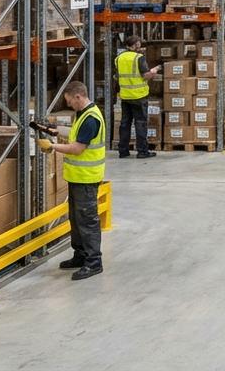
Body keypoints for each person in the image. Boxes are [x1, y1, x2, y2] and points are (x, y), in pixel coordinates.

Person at [37, 80, 106, 281]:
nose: (69, 105)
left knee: (87, 221)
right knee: (76, 220)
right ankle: (80, 255)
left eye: (69, 101)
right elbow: (76, 135)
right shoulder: (83, 114)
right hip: (77, 178)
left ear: (78, 96)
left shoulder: (91, 119)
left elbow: (77, 148)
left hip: (86, 179)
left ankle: (94, 262)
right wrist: (56, 132)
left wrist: (52, 147)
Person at [115, 35, 161, 159]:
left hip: (125, 96)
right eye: (138, 44)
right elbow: (145, 76)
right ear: (135, 45)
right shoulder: (138, 58)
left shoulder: (119, 58)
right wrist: (154, 71)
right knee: (140, 123)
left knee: (125, 123)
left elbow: (117, 76)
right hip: (139, 96)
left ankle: (123, 151)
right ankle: (142, 151)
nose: (139, 46)